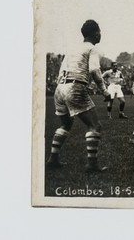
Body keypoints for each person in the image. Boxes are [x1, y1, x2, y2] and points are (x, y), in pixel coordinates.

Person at [46, 20, 111, 172]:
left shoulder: (72, 49)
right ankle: (92, 164)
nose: (100, 34)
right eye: (99, 31)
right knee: (95, 126)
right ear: (96, 33)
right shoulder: (93, 49)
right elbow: (94, 70)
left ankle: (53, 159)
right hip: (75, 87)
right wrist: (104, 90)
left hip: (60, 88)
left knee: (66, 124)